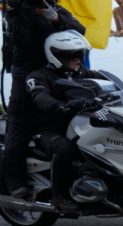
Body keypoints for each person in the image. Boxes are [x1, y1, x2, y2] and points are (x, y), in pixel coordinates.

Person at [1, 0, 84, 199]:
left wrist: (54, 16)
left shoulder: (52, 6)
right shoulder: (18, 10)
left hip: (57, 70)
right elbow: (21, 40)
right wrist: (18, 12)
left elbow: (80, 29)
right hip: (27, 73)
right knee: (20, 123)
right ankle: (14, 181)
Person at [26, 30, 102, 211]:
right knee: (65, 148)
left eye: (80, 54)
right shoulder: (38, 76)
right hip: (48, 129)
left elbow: (108, 83)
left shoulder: (81, 73)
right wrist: (61, 106)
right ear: (57, 56)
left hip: (76, 125)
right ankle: (59, 195)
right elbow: (40, 97)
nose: (78, 59)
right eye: (73, 55)